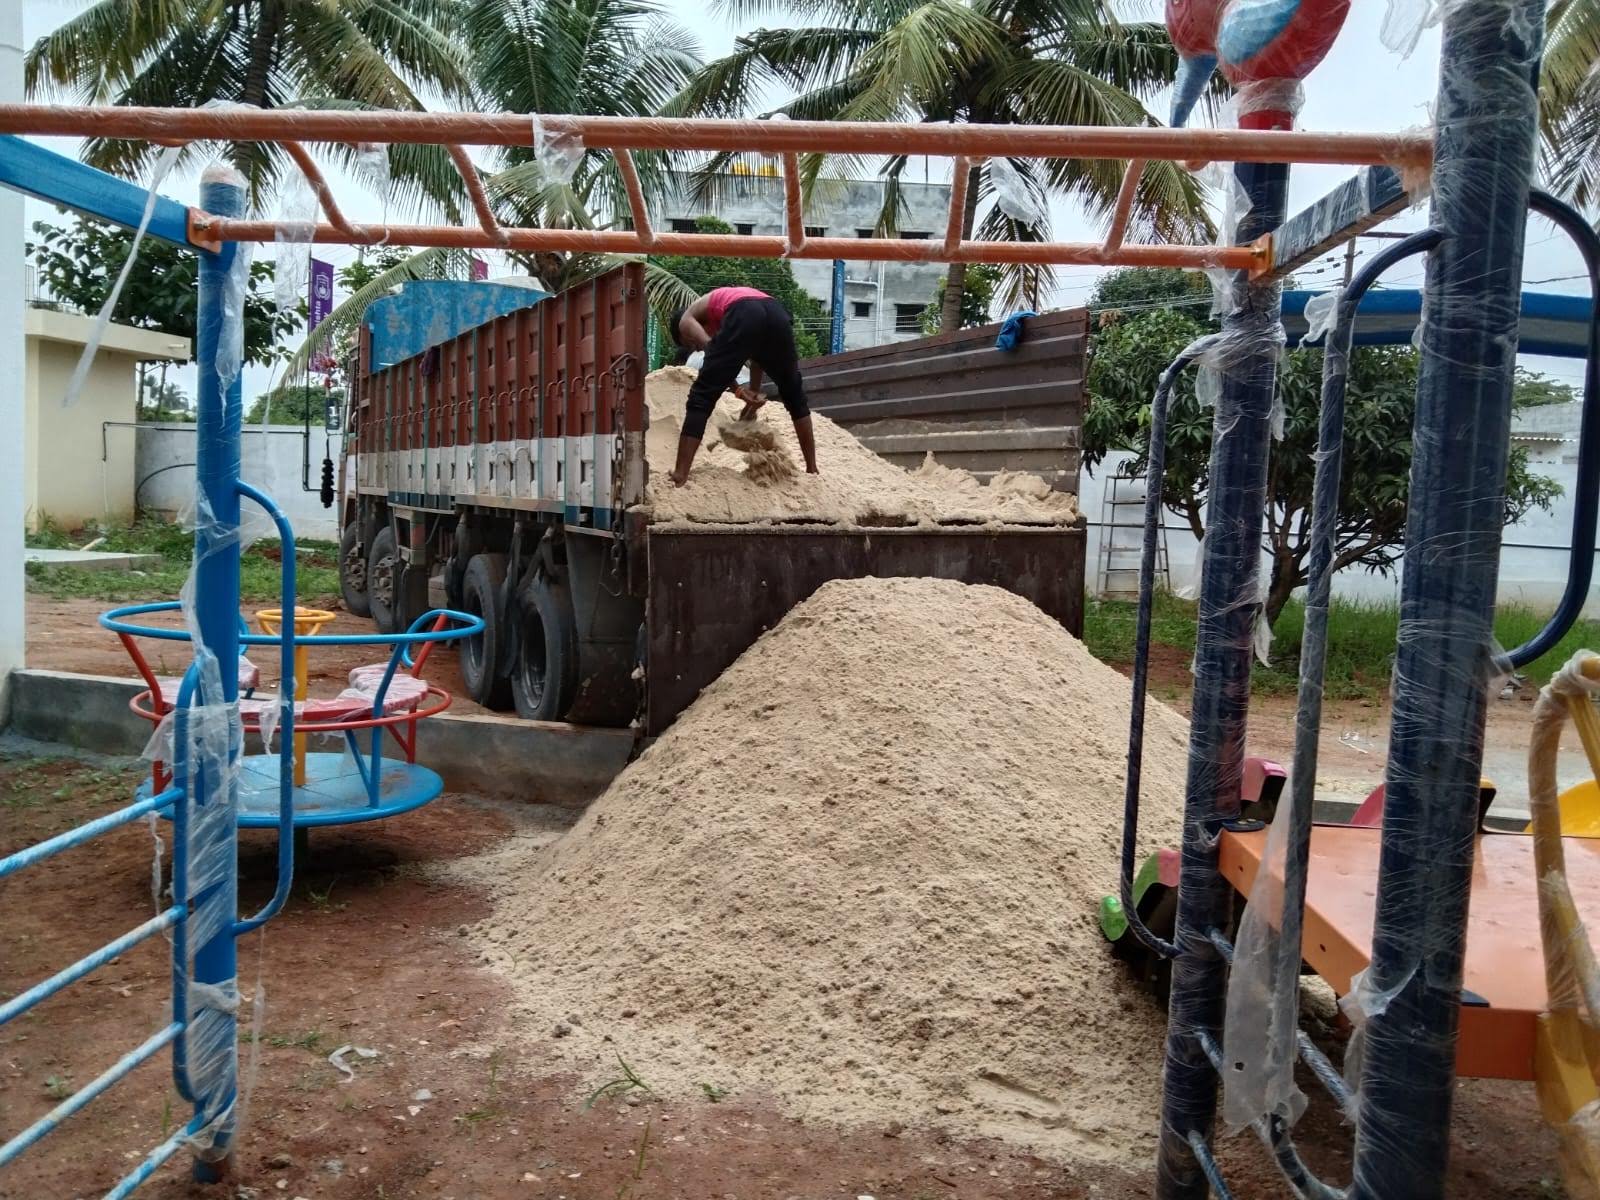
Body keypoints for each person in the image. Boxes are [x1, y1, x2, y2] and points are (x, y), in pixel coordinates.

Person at [667, 286, 819, 485]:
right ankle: (812, 469)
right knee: (794, 393)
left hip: (744, 310)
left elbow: (713, 356)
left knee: (701, 396)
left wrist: (737, 390)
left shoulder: (686, 320)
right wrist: (752, 394)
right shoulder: (722, 310)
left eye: (690, 344)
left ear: (683, 333)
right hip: (776, 312)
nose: (695, 347)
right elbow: (757, 358)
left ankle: (680, 473)